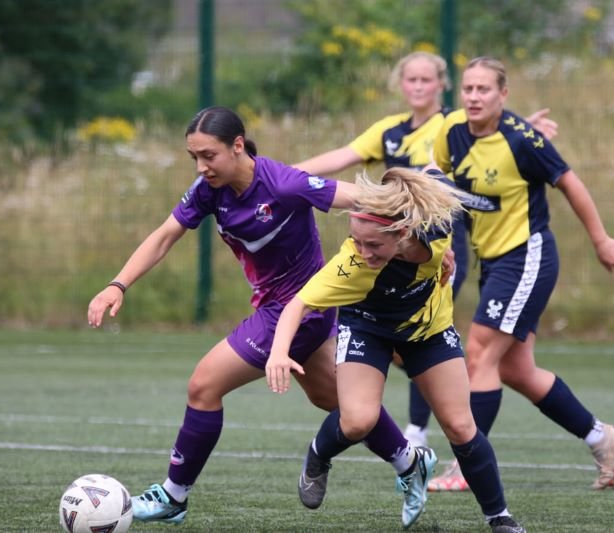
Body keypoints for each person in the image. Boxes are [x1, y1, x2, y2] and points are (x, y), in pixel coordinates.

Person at [86, 106, 431, 525]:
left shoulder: (284, 184)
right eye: (193, 156)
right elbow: (164, 237)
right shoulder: (208, 190)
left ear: (237, 146)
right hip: (287, 309)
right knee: (336, 401)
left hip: (296, 310)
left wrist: (428, 235)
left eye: (208, 155)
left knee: (204, 385)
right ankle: (409, 460)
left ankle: (174, 495)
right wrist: (116, 284)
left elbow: (363, 199)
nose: (201, 166)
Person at [295, 50, 558, 449]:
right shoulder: (390, 130)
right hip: (387, 250)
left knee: (424, 329)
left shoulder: (453, 125)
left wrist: (524, 128)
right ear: (401, 85)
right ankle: (415, 414)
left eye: (426, 80)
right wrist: (281, 174)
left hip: (436, 251)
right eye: (411, 80)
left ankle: (417, 431)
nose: (418, 87)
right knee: (402, 339)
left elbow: (498, 135)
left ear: (441, 85)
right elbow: (342, 156)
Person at [265, 167, 525, 533]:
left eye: (373, 245)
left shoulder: (434, 229)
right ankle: (318, 456)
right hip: (367, 328)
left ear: (403, 233)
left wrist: (445, 257)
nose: (362, 251)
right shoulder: (351, 266)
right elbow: (298, 305)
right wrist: (279, 352)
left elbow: (434, 177)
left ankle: (499, 518)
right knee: (358, 420)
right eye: (356, 240)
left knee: (461, 426)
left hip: (428, 330)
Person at [428, 56, 614, 493]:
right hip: (493, 261)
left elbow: (571, 183)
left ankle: (467, 467)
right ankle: (602, 437)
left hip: (527, 257)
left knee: (479, 354)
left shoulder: (523, 140)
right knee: (516, 369)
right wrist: (440, 244)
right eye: (468, 89)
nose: (474, 97)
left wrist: (601, 240)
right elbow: (438, 180)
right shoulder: (451, 131)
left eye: (484, 89)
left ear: (504, 95)